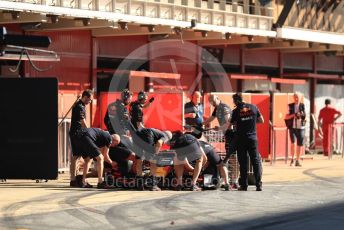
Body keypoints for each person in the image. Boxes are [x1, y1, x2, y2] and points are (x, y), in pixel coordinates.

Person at [229, 93, 264, 191]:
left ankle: (244, 185)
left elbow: (230, 124)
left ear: (235, 101)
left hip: (241, 139)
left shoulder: (235, 111)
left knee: (243, 162)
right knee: (255, 161)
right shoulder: (254, 107)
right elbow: (262, 120)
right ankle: (258, 185)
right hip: (252, 139)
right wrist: (251, 122)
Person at [203, 95, 238, 188]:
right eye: (210, 102)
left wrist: (219, 128)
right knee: (229, 157)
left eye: (213, 101)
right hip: (228, 135)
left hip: (232, 134)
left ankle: (235, 181)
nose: (212, 103)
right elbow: (211, 118)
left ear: (218, 99)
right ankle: (231, 180)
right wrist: (201, 124)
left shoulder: (224, 107)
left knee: (233, 157)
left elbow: (229, 123)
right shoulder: (217, 108)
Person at [69, 89, 93, 187]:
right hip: (78, 134)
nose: (90, 102)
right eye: (90, 99)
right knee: (87, 157)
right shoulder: (80, 107)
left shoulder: (79, 105)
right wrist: (90, 133)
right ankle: (80, 180)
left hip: (75, 133)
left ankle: (73, 179)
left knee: (76, 157)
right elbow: (83, 122)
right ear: (85, 97)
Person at [285, 92, 306, 167]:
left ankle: (297, 160)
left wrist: (301, 116)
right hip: (292, 127)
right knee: (293, 143)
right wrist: (294, 115)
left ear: (300, 98)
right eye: (295, 97)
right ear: (293, 98)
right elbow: (286, 117)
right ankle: (292, 159)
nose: (296, 99)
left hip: (301, 127)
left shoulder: (302, 105)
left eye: (298, 97)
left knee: (299, 144)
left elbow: (305, 116)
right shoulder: (290, 106)